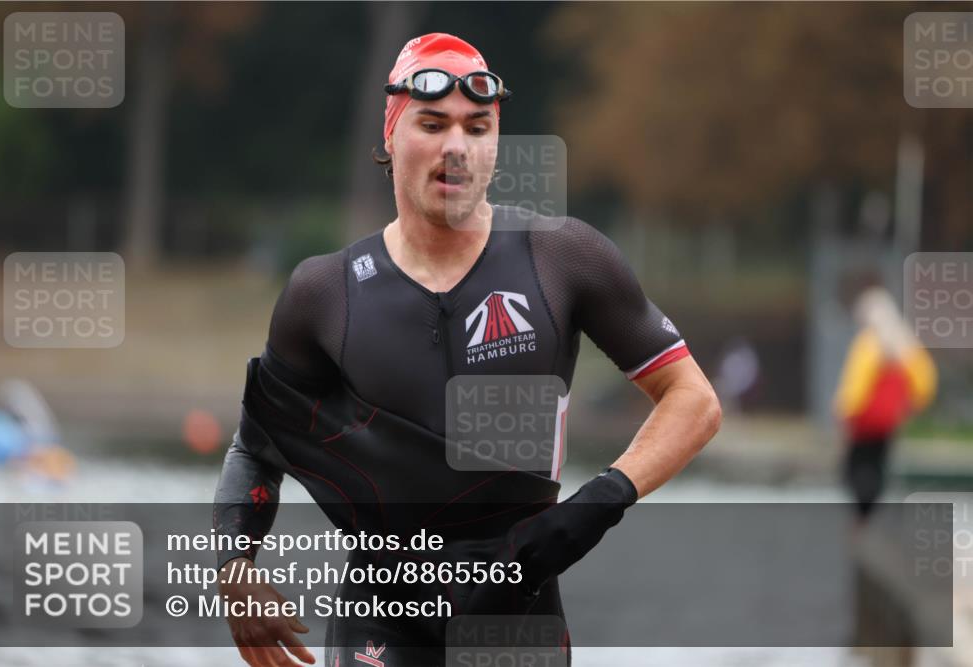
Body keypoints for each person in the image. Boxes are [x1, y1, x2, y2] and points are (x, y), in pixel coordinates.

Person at [213, 32, 722, 667]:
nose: (457, 147)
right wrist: (235, 566)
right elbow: (256, 447)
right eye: (433, 124)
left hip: (516, 613)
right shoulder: (324, 292)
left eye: (477, 127)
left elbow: (694, 400)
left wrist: (599, 503)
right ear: (392, 134)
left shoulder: (562, 257)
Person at [833, 285, 937, 522]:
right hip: (888, 421)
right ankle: (872, 515)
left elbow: (855, 384)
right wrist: (913, 405)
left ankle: (862, 519)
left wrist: (843, 411)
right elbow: (925, 381)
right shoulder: (906, 344)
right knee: (878, 465)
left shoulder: (869, 344)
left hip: (864, 422)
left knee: (856, 468)